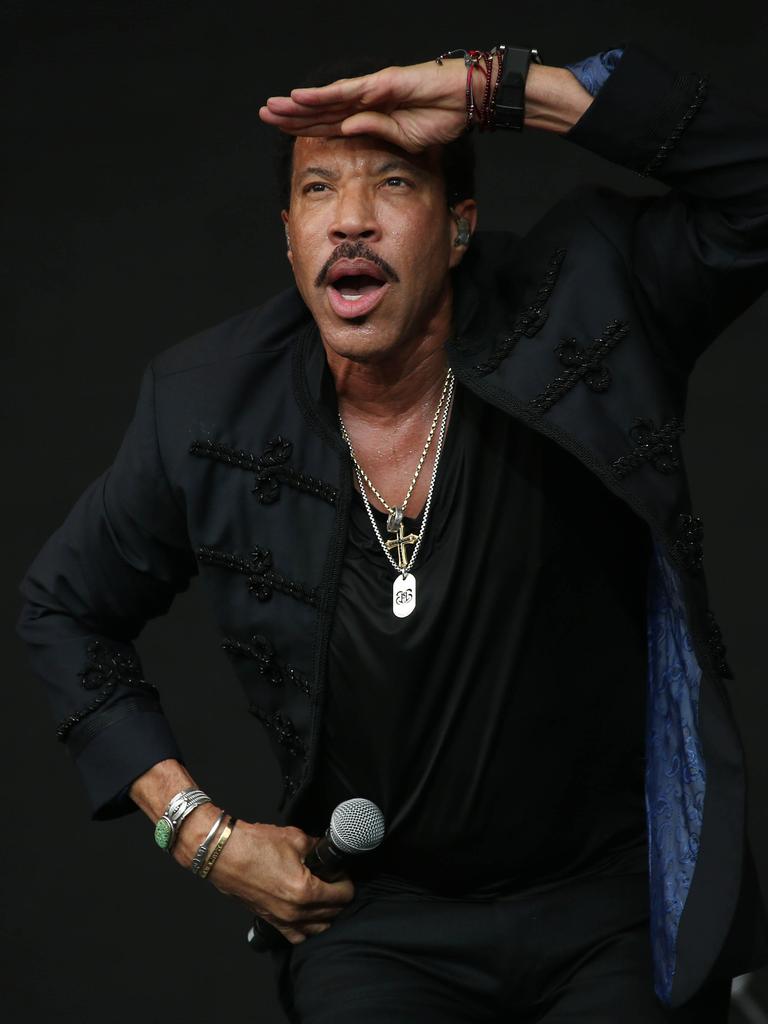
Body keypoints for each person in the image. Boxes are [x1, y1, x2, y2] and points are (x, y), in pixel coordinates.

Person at [16, 38, 768, 1023]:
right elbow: (62, 608)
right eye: (319, 189)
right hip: (378, 922)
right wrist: (200, 833)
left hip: (614, 905)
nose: (353, 220)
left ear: (458, 229)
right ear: (290, 236)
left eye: (394, 183)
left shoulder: (584, 299)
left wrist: (495, 90)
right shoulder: (206, 407)